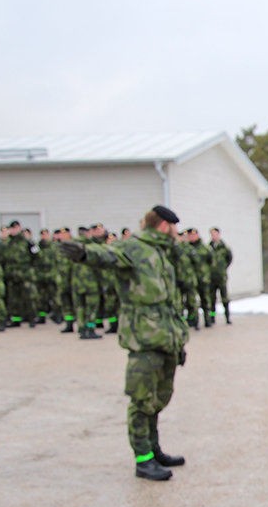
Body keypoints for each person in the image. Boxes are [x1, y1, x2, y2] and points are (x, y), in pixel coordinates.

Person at [58, 206, 190, 482]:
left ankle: (154, 449)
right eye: (174, 227)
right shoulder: (134, 247)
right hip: (144, 337)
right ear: (165, 225)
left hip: (166, 335)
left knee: (159, 397)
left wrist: (179, 340)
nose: (177, 232)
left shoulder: (163, 252)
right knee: (141, 398)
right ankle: (143, 460)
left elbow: (169, 301)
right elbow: (107, 256)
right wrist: (83, 253)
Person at [208, 227, 233, 324]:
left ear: (219, 234)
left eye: (215, 234)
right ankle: (213, 317)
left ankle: (227, 317)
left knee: (225, 298)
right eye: (212, 234)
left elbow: (229, 259)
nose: (213, 236)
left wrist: (222, 268)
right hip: (211, 278)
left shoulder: (224, 247)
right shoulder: (208, 247)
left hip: (221, 277)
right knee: (212, 299)